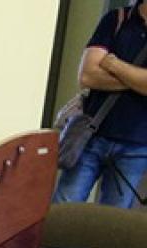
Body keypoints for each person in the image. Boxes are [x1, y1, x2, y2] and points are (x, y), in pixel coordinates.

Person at [53, 0, 147, 208]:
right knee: (63, 208)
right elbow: (87, 75)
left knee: (111, 225)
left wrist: (114, 65)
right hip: (91, 135)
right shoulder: (117, 19)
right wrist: (137, 80)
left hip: (137, 145)